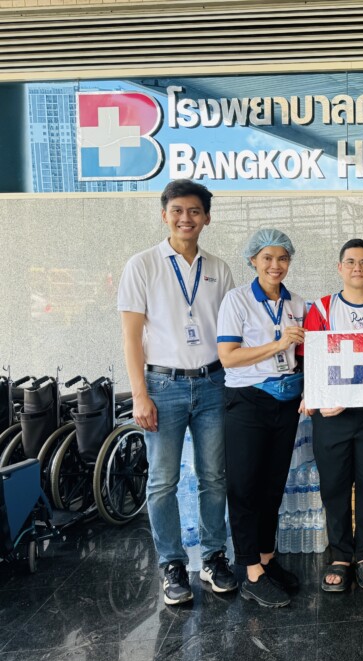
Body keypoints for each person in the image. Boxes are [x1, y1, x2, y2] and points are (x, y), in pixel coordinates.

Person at [118, 179, 237, 605]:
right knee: (162, 480)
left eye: (194, 211)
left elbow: (230, 333)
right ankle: (171, 563)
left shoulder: (219, 268)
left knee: (214, 477)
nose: (186, 218)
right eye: (177, 211)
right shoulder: (142, 265)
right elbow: (131, 337)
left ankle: (213, 557)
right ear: (164, 215)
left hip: (212, 383)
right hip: (162, 385)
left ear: (207, 218)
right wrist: (139, 394)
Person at [300, 238, 363, 592]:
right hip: (333, 415)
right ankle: (341, 555)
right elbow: (312, 358)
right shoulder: (323, 309)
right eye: (350, 262)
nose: (357, 268)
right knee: (335, 487)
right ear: (339, 268)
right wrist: (314, 396)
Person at [217, 229, 305, 608]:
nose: (275, 265)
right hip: (248, 401)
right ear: (252, 260)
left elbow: (306, 354)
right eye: (267, 257)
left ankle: (267, 560)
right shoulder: (236, 300)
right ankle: (251, 571)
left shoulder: (296, 303)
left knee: (273, 485)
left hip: (286, 401)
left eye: (282, 258)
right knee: (244, 486)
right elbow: (228, 356)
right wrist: (278, 345)